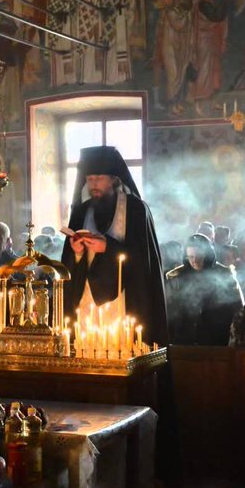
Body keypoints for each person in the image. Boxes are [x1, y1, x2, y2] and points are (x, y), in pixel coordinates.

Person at [60, 146, 169, 345]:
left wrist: (108, 248)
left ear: (114, 179)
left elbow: (144, 263)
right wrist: (77, 254)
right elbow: (67, 265)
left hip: (125, 303)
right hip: (87, 305)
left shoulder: (136, 210)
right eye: (90, 179)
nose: (94, 184)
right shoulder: (81, 212)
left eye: (99, 178)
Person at [165, 234, 243, 346]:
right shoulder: (176, 277)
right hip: (184, 339)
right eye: (191, 257)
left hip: (216, 338)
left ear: (207, 255)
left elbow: (237, 308)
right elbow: (169, 310)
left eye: (199, 256)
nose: (195, 261)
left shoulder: (223, 274)